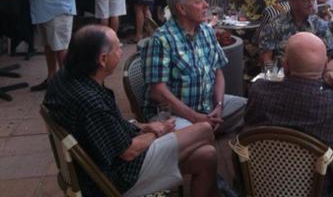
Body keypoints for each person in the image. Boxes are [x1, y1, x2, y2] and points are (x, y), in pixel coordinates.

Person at [44, 25, 219, 197]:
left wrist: (142, 126)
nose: (121, 51)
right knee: (204, 129)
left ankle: (215, 186)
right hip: (115, 177)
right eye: (117, 47)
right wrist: (158, 132)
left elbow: (107, 128)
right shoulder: (90, 102)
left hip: (98, 163)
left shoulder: (64, 77)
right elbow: (128, 152)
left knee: (207, 156)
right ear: (103, 59)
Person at [245, 32, 333, 191]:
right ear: (324, 66)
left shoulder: (258, 91)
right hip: (317, 190)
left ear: (285, 64)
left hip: (261, 183)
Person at [142, 0, 247, 132]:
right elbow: (158, 92)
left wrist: (219, 106)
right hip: (175, 114)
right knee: (202, 139)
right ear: (181, 9)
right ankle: (203, 133)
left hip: (208, 106)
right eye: (199, 2)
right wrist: (195, 117)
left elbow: (218, 72)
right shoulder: (161, 39)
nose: (206, 5)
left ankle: (206, 129)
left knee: (250, 107)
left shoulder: (206, 31)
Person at [258, 0, 333, 64]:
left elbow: (331, 54)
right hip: (284, 70)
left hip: (315, 69)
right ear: (292, 2)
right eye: (305, 0)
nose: (311, 4)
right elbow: (265, 58)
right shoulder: (275, 25)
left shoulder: (319, 24)